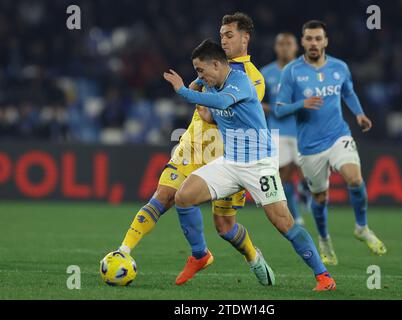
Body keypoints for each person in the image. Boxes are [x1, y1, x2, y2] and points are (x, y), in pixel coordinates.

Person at [114, 12, 273, 287]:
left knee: (224, 227)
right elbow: (203, 104)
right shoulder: (210, 65)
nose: (223, 40)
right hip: (192, 146)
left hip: (225, 155)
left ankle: (252, 256)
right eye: (221, 34)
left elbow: (216, 112)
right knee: (164, 195)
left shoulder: (253, 79)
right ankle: (124, 251)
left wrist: (196, 97)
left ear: (245, 38)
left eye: (229, 35)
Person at [163, 39, 336, 291]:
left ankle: (324, 277)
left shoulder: (240, 80)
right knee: (184, 196)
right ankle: (200, 255)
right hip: (231, 162)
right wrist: (201, 98)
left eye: (201, 70)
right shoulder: (211, 86)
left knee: (284, 223)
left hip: (259, 164)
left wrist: (183, 90)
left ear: (216, 64)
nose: (199, 75)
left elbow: (223, 103)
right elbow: (213, 114)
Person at [275, 20, 387, 265]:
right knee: (320, 198)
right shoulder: (292, 71)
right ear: (302, 42)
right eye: (309, 39)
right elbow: (280, 109)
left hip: (339, 136)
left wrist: (359, 114)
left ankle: (362, 227)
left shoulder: (340, 67)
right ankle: (324, 240)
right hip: (310, 146)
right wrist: (300, 105)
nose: (314, 43)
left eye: (318, 38)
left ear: (325, 41)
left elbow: (347, 91)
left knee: (355, 179)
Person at [261, 32, 310, 226]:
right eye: (281, 44)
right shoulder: (266, 73)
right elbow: (258, 102)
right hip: (277, 131)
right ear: (275, 47)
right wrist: (273, 109)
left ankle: (305, 193)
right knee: (281, 175)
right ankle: (294, 214)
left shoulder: (305, 71)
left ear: (296, 47)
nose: (284, 48)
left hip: (301, 130)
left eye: (288, 44)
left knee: (307, 174)